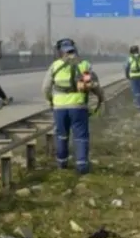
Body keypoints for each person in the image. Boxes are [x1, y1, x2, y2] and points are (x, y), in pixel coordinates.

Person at [42, 38, 104, 174]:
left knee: (61, 135)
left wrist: (50, 100)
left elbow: (46, 88)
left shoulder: (55, 66)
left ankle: (62, 163)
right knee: (81, 136)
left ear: (60, 52)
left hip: (59, 108)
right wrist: (101, 98)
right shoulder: (84, 65)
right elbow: (94, 85)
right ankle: (82, 166)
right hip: (78, 106)